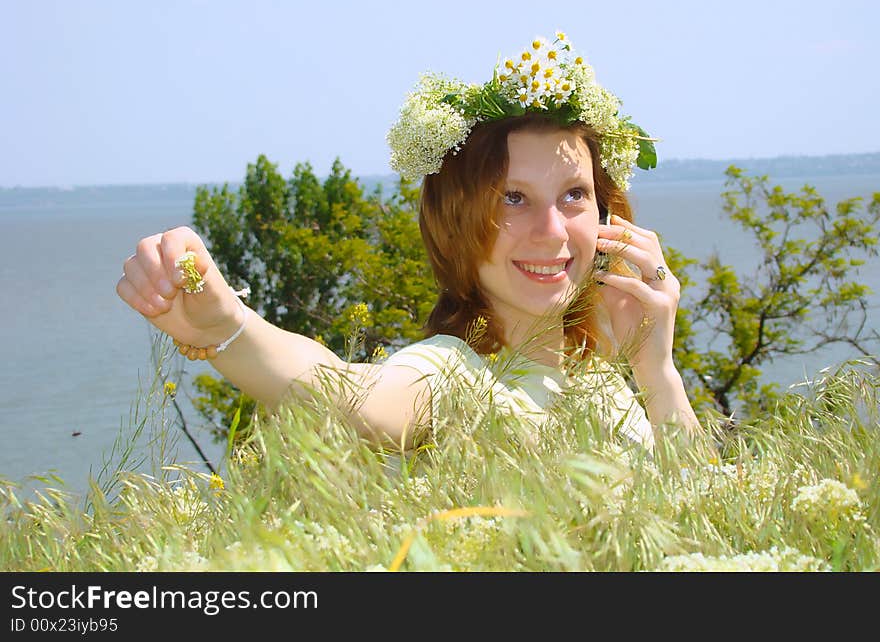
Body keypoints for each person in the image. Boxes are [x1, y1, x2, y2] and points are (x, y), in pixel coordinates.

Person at [116, 32, 701, 454]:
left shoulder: (601, 377)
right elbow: (348, 395)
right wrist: (227, 328)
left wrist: (657, 372)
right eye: (512, 198)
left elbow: (705, 525)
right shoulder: (455, 376)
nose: (552, 231)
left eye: (574, 194)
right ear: (456, 222)